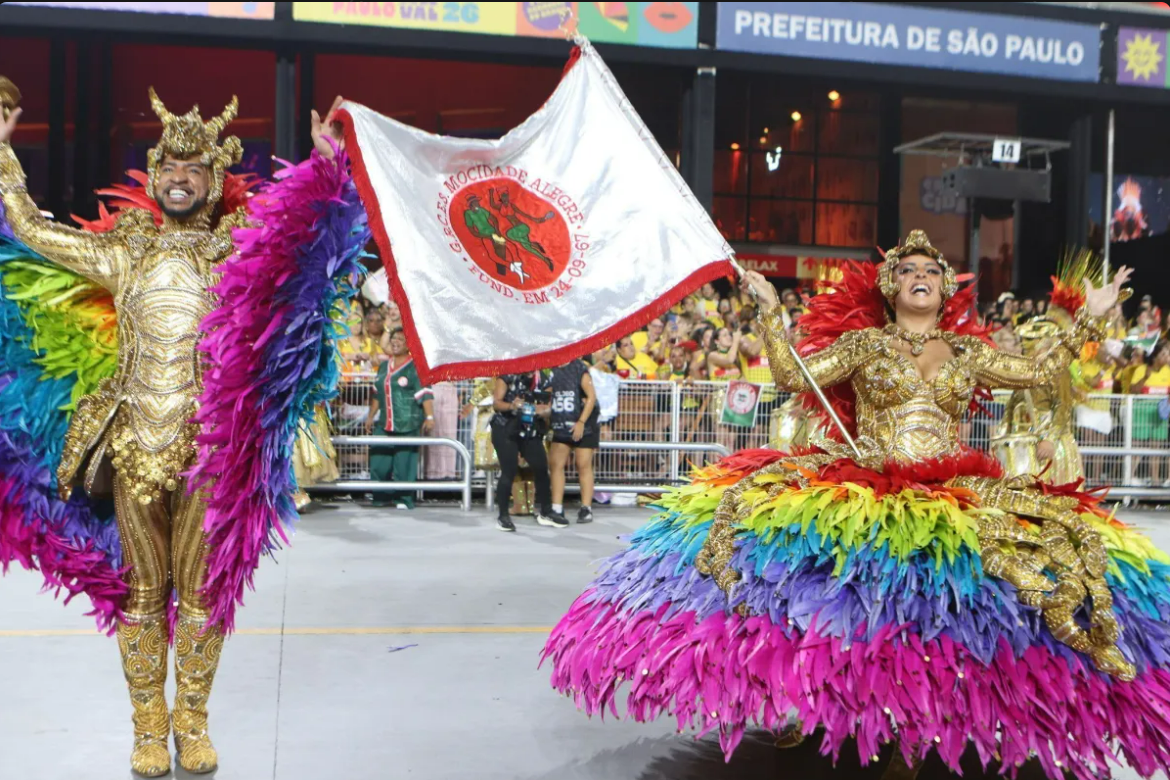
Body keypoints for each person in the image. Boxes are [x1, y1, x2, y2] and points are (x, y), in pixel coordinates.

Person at [541, 231, 1166, 780]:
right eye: (908, 271)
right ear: (891, 286)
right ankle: (817, 703)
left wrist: (1093, 318)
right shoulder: (867, 346)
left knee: (991, 586)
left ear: (946, 289)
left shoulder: (970, 353)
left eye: (931, 271)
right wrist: (767, 316)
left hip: (954, 489)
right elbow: (791, 376)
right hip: (866, 485)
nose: (920, 278)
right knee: (833, 596)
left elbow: (1033, 372)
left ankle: (928, 719)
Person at [0, 86, 361, 776]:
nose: (179, 178)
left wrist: (327, 170)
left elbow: (308, 248)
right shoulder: (125, 252)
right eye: (169, 166)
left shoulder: (237, 250)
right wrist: (4, 152)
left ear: (215, 182)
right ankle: (146, 730)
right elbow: (32, 232)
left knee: (199, 595)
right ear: (155, 175)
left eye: (195, 171)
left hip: (210, 452)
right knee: (141, 595)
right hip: (135, 443)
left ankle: (191, 723)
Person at [365, 328, 434, 509]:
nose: (395, 342)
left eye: (400, 340)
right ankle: (380, 497)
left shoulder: (415, 367)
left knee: (404, 464)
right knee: (379, 462)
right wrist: (370, 416)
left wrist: (429, 416)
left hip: (408, 422)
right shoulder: (383, 366)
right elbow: (376, 394)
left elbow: (425, 393)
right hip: (384, 422)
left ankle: (403, 499)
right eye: (393, 338)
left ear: (409, 345)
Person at [490, 371, 562, 531]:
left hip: (530, 430)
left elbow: (549, 405)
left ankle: (546, 511)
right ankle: (503, 516)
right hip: (505, 429)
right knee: (509, 470)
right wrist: (512, 406)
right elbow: (496, 404)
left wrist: (545, 410)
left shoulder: (543, 379)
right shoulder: (507, 375)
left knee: (541, 468)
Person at [547, 358, 599, 525]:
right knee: (556, 464)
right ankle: (556, 507)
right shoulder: (550, 368)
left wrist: (581, 422)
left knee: (583, 464)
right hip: (561, 423)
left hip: (584, 423)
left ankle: (586, 508)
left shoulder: (578, 368)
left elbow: (591, 396)